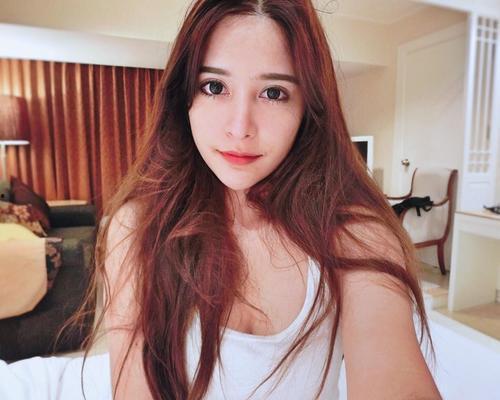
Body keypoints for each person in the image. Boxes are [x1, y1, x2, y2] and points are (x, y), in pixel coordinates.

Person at [84, 0, 443, 399]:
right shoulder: (137, 227)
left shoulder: (355, 234)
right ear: (184, 97)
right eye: (214, 87)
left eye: (273, 93)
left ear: (308, 108)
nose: (240, 128)